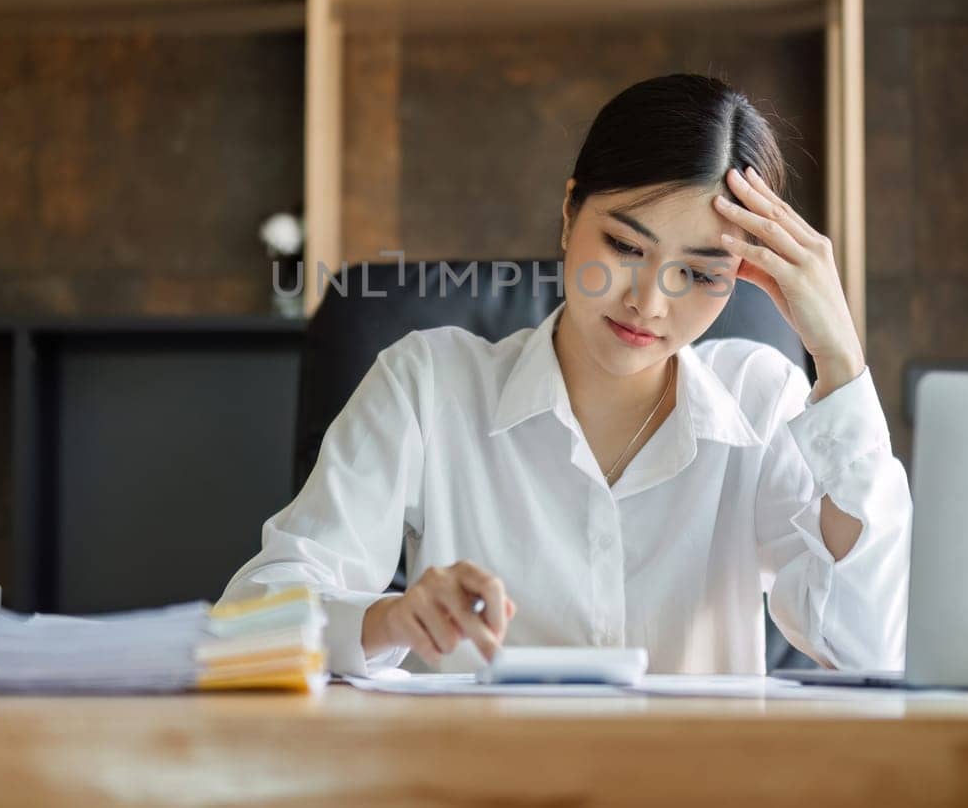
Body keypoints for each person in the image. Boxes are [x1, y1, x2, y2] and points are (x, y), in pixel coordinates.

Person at [220, 73, 911, 676]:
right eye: (623, 245)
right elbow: (251, 621)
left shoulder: (762, 400)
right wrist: (390, 619)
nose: (648, 301)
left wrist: (842, 365)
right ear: (569, 212)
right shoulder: (428, 384)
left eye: (699, 273)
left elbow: (864, 649)